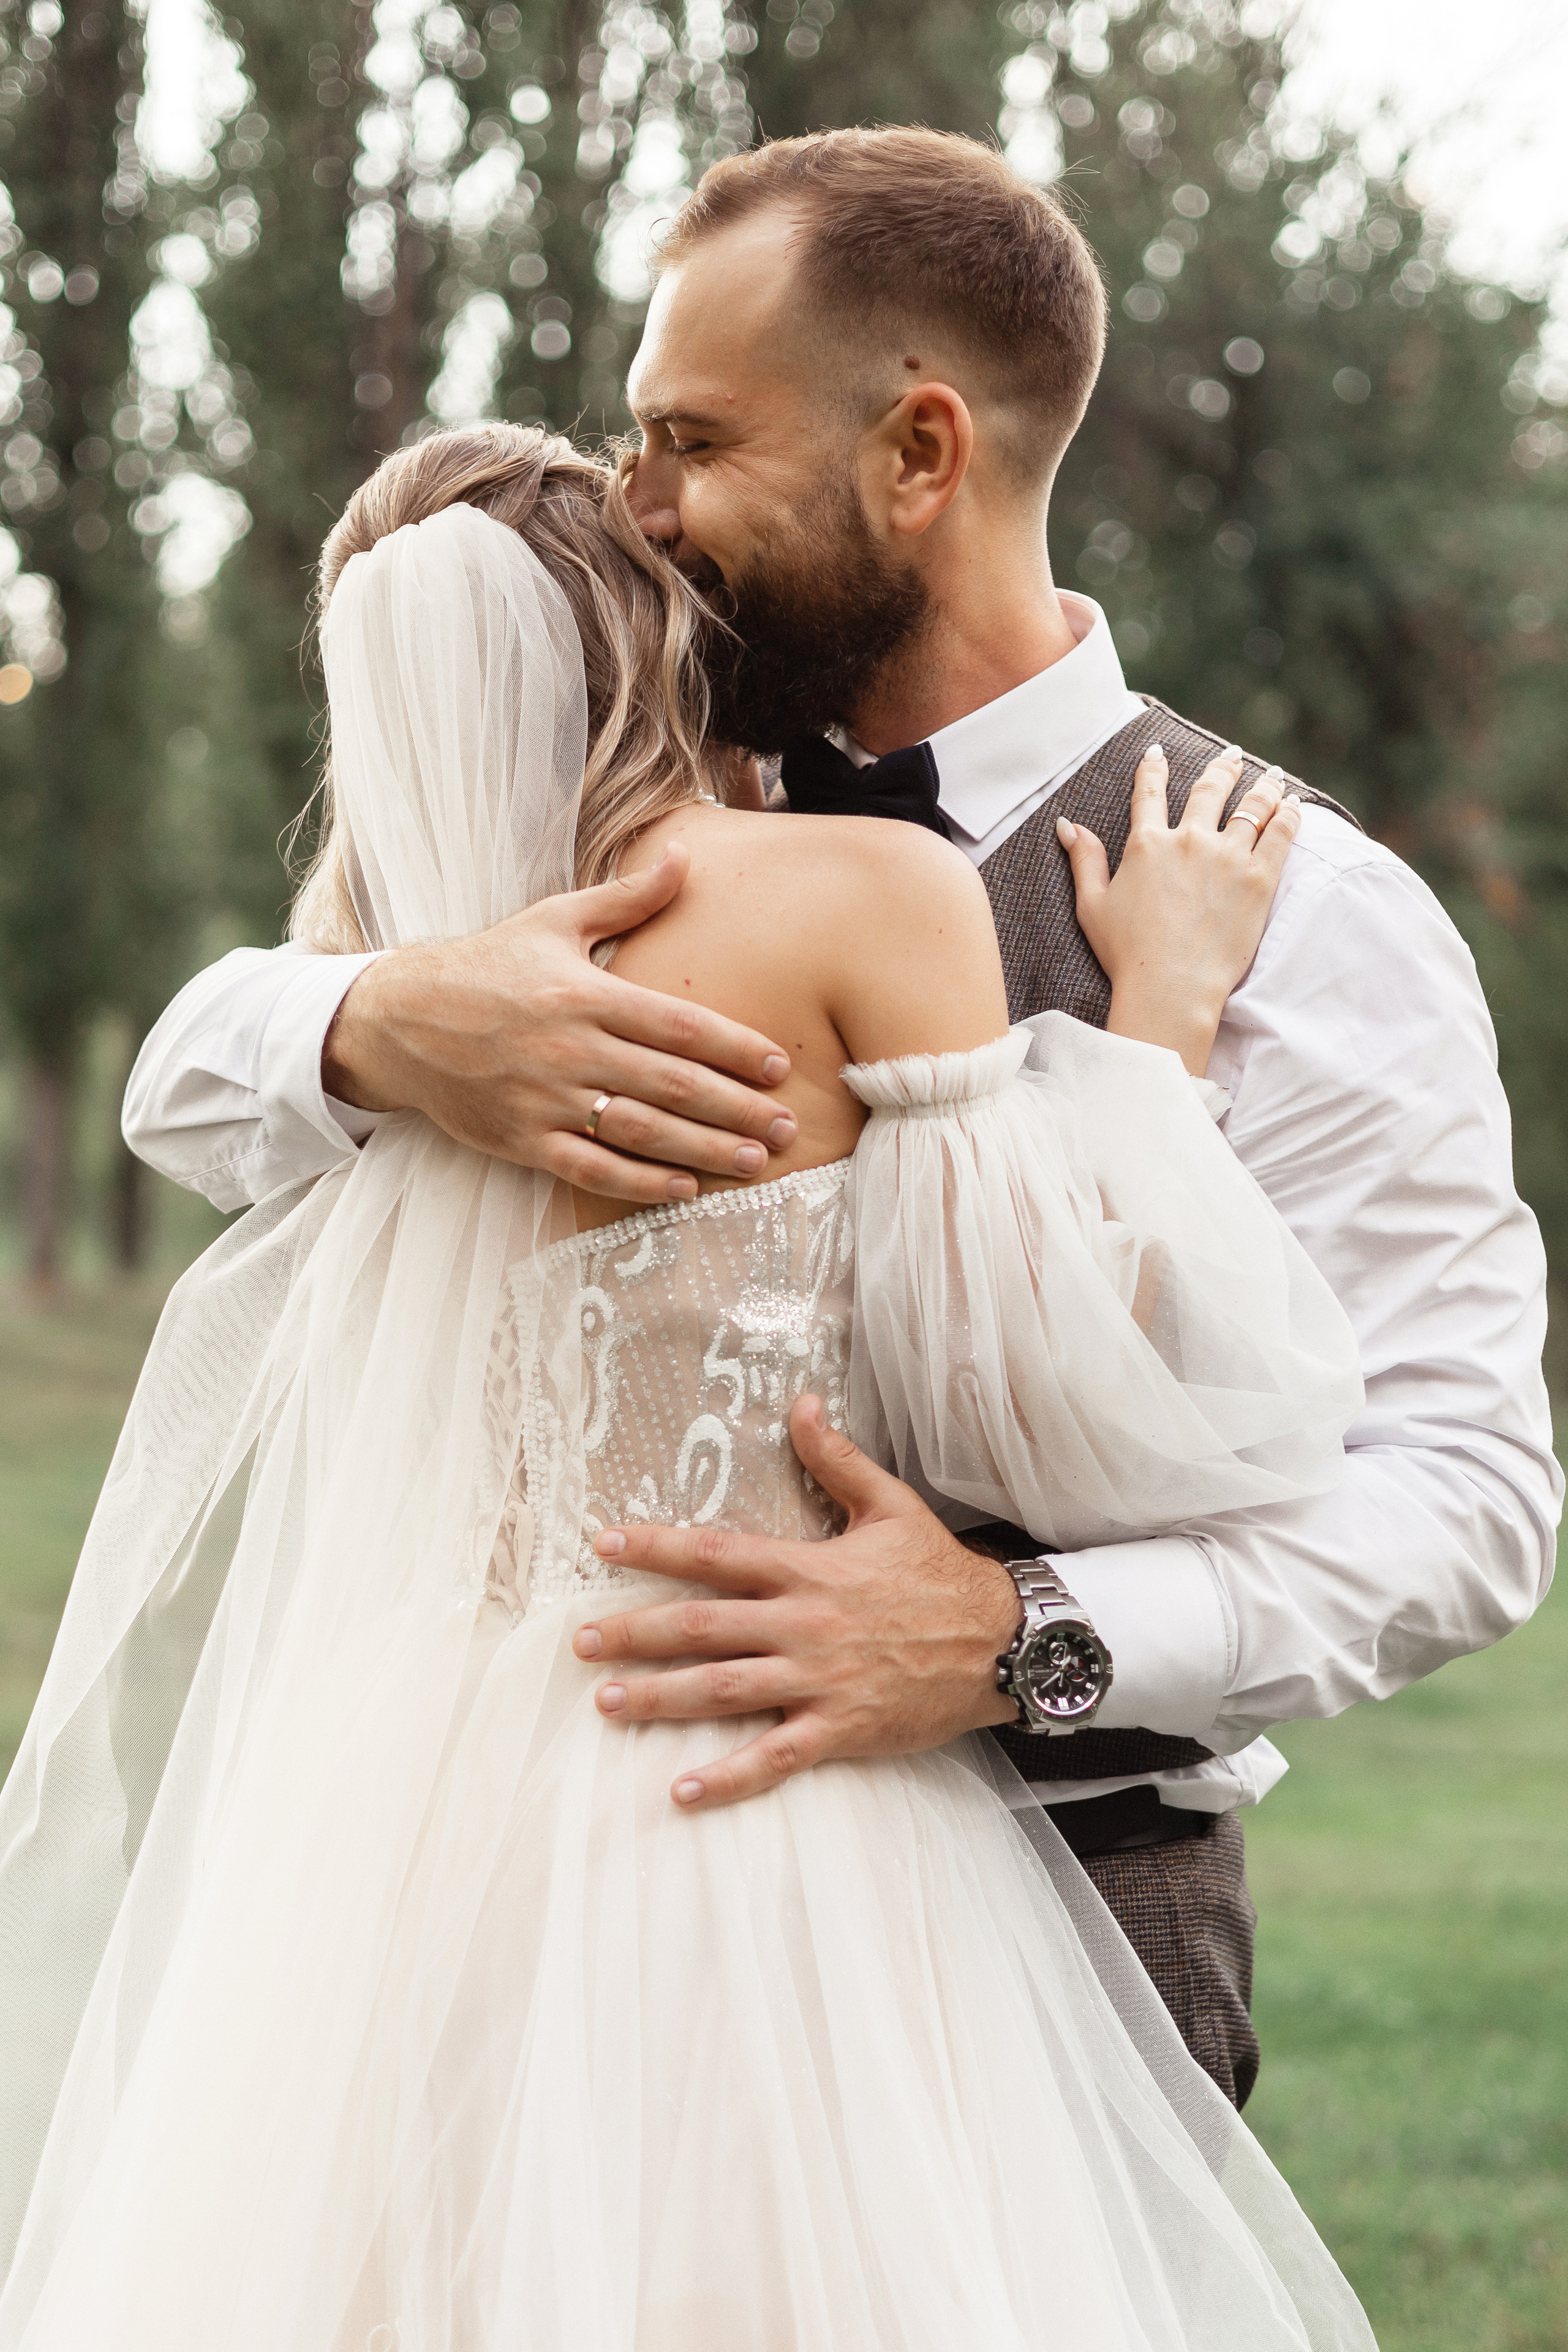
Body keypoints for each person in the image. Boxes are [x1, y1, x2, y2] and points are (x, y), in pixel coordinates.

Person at [123, 129, 1560, 2109]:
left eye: (691, 442)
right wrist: (375, 1023)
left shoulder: (1304, 911)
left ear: (919, 455)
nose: (638, 506)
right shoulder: (597, 815)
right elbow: (191, 1092)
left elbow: (1468, 1497)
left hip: (1074, 1925)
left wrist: (1017, 1635)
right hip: (565, 1913)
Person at [0, 428, 1376, 2349]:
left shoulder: (383, 977)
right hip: (754, 1775)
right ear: (657, 628)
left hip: (420, 1787)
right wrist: (1161, 1018)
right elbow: (1055, 1401)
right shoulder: (860, 895)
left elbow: (198, 1093)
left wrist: (367, 1011)